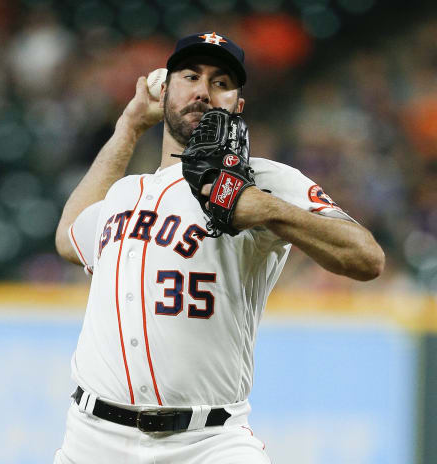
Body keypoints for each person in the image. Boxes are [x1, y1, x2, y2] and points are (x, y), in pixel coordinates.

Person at [53, 31, 385, 464]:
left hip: (208, 443)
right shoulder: (126, 191)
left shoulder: (264, 179)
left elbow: (366, 257)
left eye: (222, 82)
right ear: (165, 88)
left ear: (237, 105)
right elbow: (67, 237)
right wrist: (130, 126)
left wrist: (266, 209)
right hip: (92, 438)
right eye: (191, 76)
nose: (204, 91)